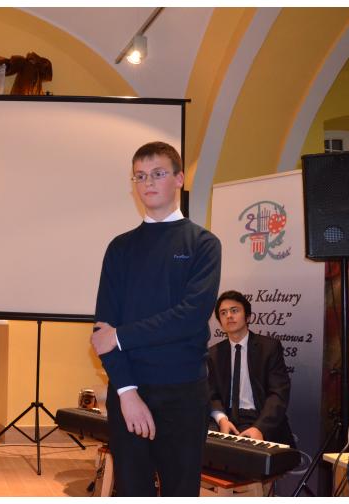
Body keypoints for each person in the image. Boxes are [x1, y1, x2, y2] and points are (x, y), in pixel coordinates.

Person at [91, 141, 221, 496]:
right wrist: (127, 393)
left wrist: (122, 336)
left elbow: (190, 317)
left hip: (183, 393)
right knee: (132, 491)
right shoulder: (120, 247)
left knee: (181, 491)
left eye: (158, 173)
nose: (148, 182)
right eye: (140, 176)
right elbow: (103, 331)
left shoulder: (203, 244)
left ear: (179, 179)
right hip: (129, 389)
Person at [207, 290, 295, 446]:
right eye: (223, 313)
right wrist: (221, 419)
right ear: (220, 322)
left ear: (248, 317)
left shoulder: (269, 348)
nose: (229, 316)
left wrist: (259, 428)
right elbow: (212, 394)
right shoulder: (214, 353)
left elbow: (279, 393)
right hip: (227, 418)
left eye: (234, 310)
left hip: (259, 417)